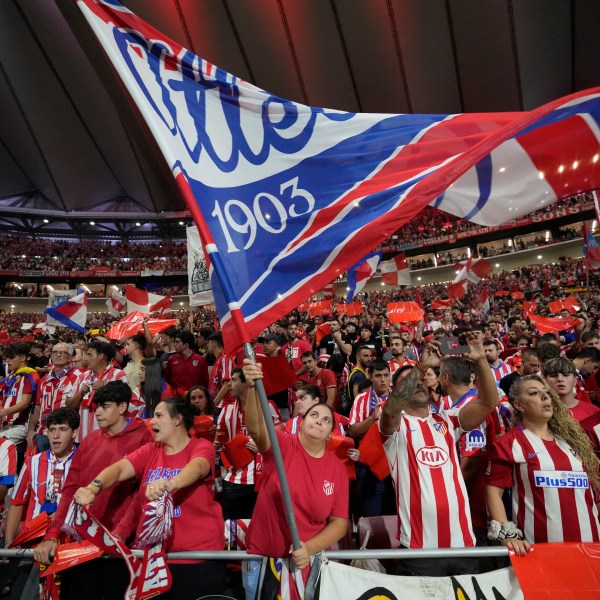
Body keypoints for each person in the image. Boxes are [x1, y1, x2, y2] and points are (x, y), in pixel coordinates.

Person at [73, 396, 226, 600]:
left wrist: (171, 484)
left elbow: (198, 468)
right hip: (157, 561)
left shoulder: (201, 446)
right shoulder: (151, 450)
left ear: (177, 420)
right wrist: (94, 487)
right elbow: (119, 469)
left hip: (198, 559)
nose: (151, 421)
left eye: (158, 416)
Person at [379, 331, 499, 576]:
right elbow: (390, 411)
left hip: (464, 546)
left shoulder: (448, 419)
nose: (420, 382)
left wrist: (480, 360)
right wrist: (420, 366)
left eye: (423, 380)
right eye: (412, 380)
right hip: (419, 550)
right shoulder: (396, 426)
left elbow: (488, 402)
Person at [34, 381, 153, 600]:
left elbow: (140, 494)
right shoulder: (89, 440)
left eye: (104, 406)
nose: (97, 412)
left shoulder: (144, 439)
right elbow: (70, 490)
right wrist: (53, 534)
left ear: (123, 407)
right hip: (82, 542)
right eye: (95, 406)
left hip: (118, 545)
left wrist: (119, 534)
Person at [242, 359, 349, 599]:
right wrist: (251, 388)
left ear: (331, 433)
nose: (319, 420)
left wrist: (309, 548)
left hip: (307, 564)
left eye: (326, 419)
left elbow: (340, 523)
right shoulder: (284, 445)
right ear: (301, 423)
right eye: (314, 415)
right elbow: (257, 430)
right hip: (264, 561)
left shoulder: (336, 469)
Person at [486, 375, 600, 554]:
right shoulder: (509, 443)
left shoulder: (575, 442)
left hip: (591, 549)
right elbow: (493, 492)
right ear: (518, 405)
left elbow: (595, 493)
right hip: (540, 552)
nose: (545, 397)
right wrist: (508, 534)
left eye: (547, 393)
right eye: (534, 393)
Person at [4, 408, 79, 599]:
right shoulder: (32, 462)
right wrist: (9, 543)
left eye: (62, 429)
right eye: (52, 429)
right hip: (33, 545)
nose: (55, 435)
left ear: (75, 433)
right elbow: (17, 503)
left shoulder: (85, 461)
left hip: (69, 546)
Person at [216, 368, 282, 520]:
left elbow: (279, 433)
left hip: (265, 477)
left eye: (233, 380)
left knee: (263, 527)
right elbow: (219, 442)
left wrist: (262, 442)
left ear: (246, 384)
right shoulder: (227, 410)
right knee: (234, 530)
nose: (229, 385)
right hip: (235, 480)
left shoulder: (268, 405)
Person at [66, 339, 128, 441]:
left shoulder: (118, 375)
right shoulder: (82, 377)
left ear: (101, 356)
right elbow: (69, 405)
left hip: (109, 438)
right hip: (83, 438)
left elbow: (124, 405)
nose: (86, 359)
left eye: (90, 355)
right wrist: (81, 393)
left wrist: (105, 389)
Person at [26, 342, 79, 453]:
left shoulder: (78, 376)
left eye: (62, 353)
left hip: (64, 432)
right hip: (42, 433)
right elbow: (37, 406)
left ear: (70, 357)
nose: (57, 355)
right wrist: (31, 430)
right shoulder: (44, 379)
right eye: (55, 352)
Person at [0, 342, 39, 446]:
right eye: (7, 358)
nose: (7, 361)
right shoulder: (11, 377)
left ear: (22, 358)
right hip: (4, 425)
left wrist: (3, 412)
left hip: (19, 426)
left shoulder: (30, 376)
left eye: (11, 357)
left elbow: (25, 403)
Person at [543, 356, 600, 422]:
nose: (560, 379)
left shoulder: (593, 411)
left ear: (575, 380)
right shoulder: (536, 412)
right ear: (545, 381)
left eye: (566, 375)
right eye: (553, 375)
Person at [164, 331, 208, 397]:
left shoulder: (200, 360)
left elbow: (204, 382)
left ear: (186, 345)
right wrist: (179, 391)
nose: (174, 344)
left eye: (177, 342)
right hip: (176, 399)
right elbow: (168, 381)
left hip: (194, 399)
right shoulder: (172, 359)